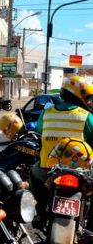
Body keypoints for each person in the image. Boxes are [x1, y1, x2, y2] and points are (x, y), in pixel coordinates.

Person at [30, 75, 93, 224]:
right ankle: (90, 224)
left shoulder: (47, 113)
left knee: (33, 172)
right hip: (81, 171)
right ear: (79, 95)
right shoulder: (86, 117)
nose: (89, 101)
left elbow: (39, 131)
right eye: (87, 97)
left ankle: (39, 213)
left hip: (48, 169)